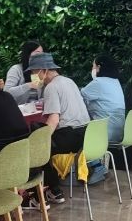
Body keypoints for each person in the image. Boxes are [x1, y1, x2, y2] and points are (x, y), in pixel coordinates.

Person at [26, 52, 90, 204]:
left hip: (69, 136)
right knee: (42, 142)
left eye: (34, 72)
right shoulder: (69, 81)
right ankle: (53, 190)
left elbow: (53, 120)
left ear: (44, 70)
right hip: (85, 135)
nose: (33, 76)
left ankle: (44, 193)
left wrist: (40, 141)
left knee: (37, 148)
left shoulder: (51, 87)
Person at [81, 54, 126, 142]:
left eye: (93, 66)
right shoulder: (115, 82)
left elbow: (79, 96)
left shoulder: (98, 82)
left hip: (103, 134)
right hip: (118, 133)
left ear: (98, 67)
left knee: (73, 134)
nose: (92, 69)